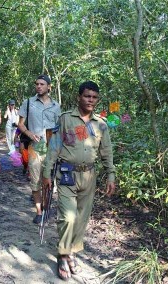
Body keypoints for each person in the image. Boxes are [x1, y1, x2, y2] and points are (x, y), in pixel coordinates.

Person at [42, 81, 116, 280]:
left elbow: (106, 151)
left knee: (81, 218)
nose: (90, 100)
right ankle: (63, 255)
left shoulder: (100, 123)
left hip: (89, 176)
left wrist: (111, 174)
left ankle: (72, 251)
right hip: (67, 174)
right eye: (87, 96)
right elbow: (54, 146)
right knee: (68, 217)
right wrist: (47, 172)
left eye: (94, 97)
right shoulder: (66, 119)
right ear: (79, 97)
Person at [17, 74, 61, 224]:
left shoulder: (56, 106)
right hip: (34, 148)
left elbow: (59, 128)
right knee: (35, 181)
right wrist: (29, 134)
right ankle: (39, 212)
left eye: (42, 84)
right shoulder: (28, 103)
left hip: (51, 149)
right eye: (37, 84)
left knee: (48, 180)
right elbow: (20, 124)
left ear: (49, 87)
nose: (39, 86)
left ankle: (46, 206)